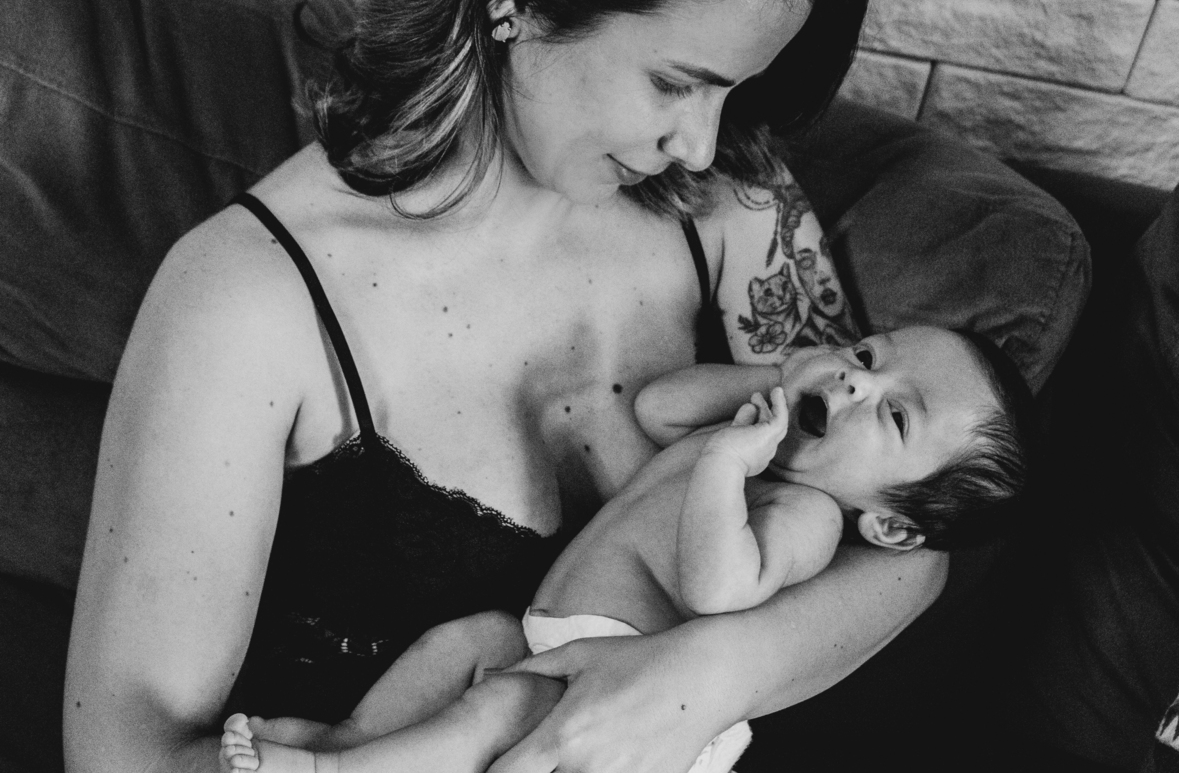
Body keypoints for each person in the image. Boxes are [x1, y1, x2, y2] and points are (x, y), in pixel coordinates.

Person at [61, 0, 990, 772]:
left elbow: (906, 546)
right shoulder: (246, 299)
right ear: (517, 3)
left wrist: (698, 682)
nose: (701, 144)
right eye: (675, 83)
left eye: (733, 92)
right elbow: (123, 754)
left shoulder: (733, 205)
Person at [216, 325, 1031, 773]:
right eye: (867, 355)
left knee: (495, 709)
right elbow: (658, 408)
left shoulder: (804, 513)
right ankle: (349, 736)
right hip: (553, 641)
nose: (857, 383)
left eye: (895, 416)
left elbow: (718, 590)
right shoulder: (754, 436)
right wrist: (778, 379)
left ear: (891, 527)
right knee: (462, 644)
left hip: (618, 685)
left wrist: (726, 467)